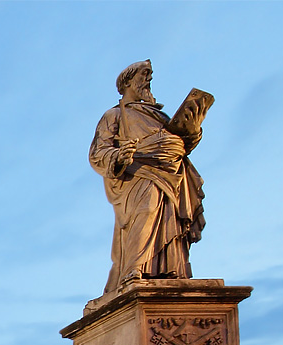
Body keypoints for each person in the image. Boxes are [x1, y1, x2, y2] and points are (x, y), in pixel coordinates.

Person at [89, 60, 208, 294]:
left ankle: (170, 270)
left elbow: (182, 143)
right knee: (147, 212)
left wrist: (193, 128)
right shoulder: (114, 115)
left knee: (170, 221)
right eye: (144, 75)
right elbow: (97, 153)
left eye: (150, 75)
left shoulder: (159, 116)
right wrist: (118, 156)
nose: (149, 80)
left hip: (173, 174)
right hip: (139, 173)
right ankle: (134, 269)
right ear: (128, 81)